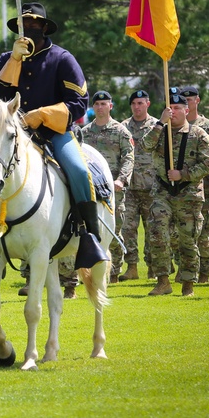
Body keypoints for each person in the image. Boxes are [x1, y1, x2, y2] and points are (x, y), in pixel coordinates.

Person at [0, 1, 110, 278]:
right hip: (11, 137)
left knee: (77, 170)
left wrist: (43, 114)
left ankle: (90, 237)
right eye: (23, 24)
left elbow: (79, 102)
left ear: (43, 27)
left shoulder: (63, 59)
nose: (28, 28)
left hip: (54, 135)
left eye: (34, 23)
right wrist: (14, 60)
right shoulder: (8, 58)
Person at [143, 92, 209, 297]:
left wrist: (183, 174)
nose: (172, 111)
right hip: (162, 193)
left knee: (188, 240)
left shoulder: (199, 134)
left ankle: (188, 284)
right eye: (169, 108)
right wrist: (159, 124)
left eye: (177, 108)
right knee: (157, 234)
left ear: (186, 110)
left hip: (188, 195)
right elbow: (145, 146)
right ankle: (163, 280)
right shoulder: (159, 131)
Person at [80, 91, 134, 283]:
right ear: (93, 108)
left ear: (110, 106)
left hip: (113, 190)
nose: (100, 107)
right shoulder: (84, 133)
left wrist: (121, 179)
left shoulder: (121, 132)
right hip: (91, 190)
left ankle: (114, 271)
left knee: (114, 229)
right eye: (97, 104)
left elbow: (129, 157)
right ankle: (90, 267)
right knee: (89, 228)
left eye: (104, 104)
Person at [177, 86, 209, 283]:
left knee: (203, 229)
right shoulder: (174, 126)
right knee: (181, 231)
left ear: (197, 100)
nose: (187, 102)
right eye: (184, 100)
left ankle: (205, 270)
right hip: (180, 187)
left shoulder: (208, 126)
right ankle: (185, 269)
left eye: (190, 99)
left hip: (203, 186)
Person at [122, 89, 158, 279]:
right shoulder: (123, 127)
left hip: (152, 188)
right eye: (134, 103)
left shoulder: (157, 126)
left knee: (154, 230)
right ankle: (132, 268)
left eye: (141, 103)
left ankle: (153, 268)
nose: (137, 107)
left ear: (148, 104)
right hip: (130, 189)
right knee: (128, 229)